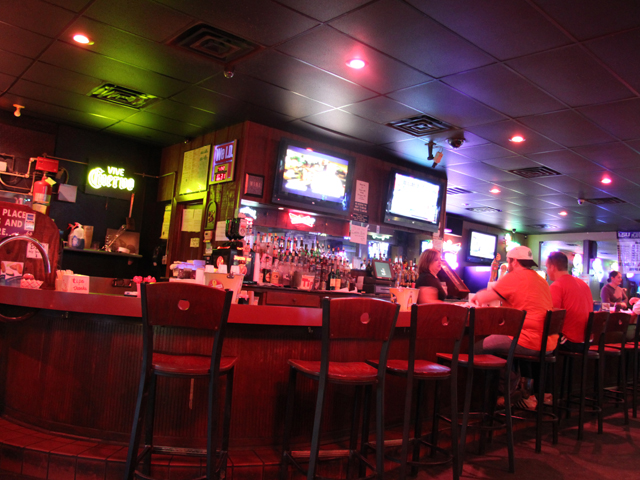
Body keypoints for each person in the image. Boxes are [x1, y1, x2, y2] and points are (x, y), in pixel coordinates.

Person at [471, 246, 553, 405]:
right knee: (504, 348)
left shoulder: (514, 276)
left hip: (526, 339)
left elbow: (484, 297)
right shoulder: (541, 280)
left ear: (514, 261)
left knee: (475, 349)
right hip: (547, 343)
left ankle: (491, 399)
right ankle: (507, 393)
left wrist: (474, 299)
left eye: (508, 261)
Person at [546, 251, 593, 353]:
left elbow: (551, 317)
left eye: (547, 267)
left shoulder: (557, 286)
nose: (547, 271)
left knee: (533, 341)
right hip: (587, 341)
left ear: (552, 267)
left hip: (570, 341)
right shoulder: (583, 284)